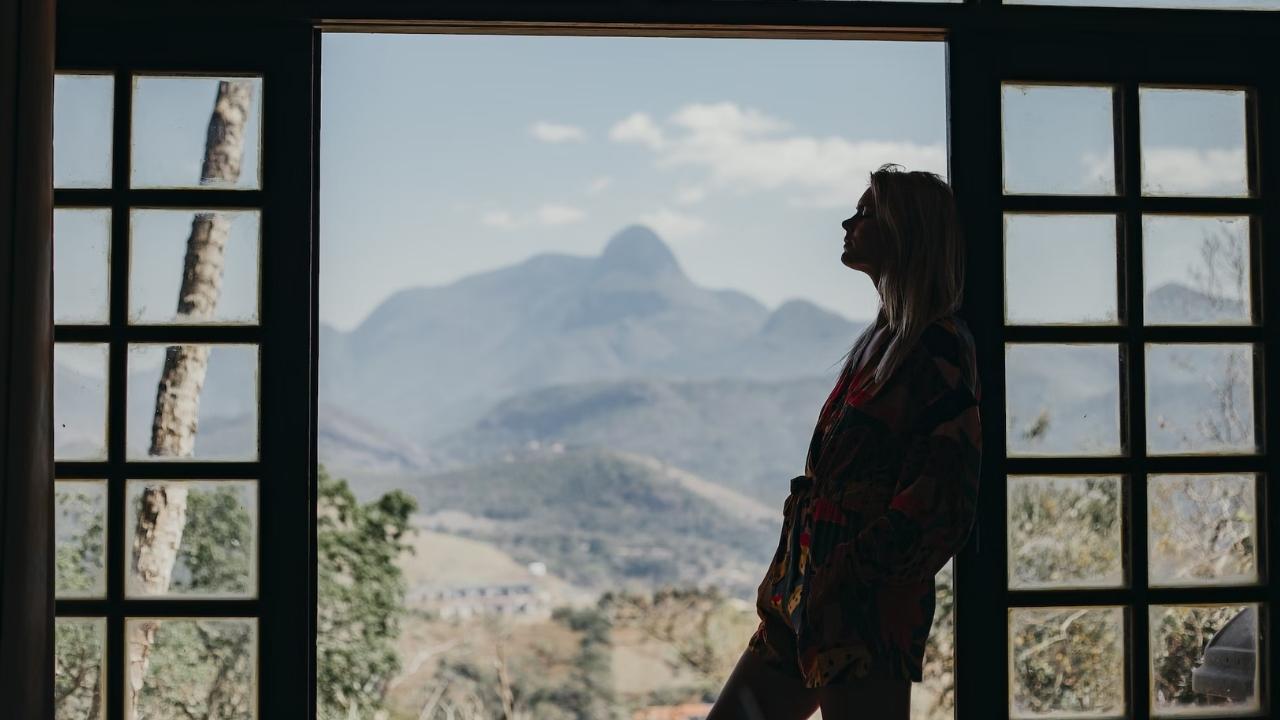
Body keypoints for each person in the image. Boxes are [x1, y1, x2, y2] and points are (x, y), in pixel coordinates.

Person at [707, 163, 982, 720]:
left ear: (904, 233)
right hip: (806, 597)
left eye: (866, 213)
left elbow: (944, 493)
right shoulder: (880, 343)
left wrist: (855, 570)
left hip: (861, 610)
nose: (848, 224)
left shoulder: (935, 350)